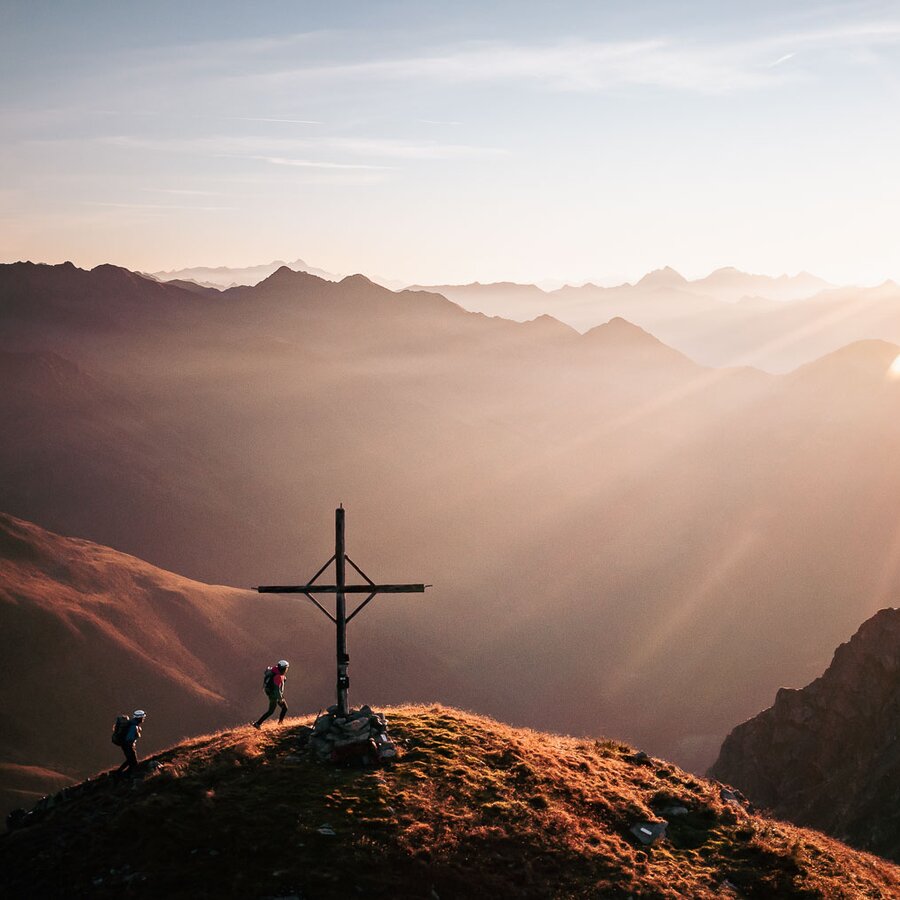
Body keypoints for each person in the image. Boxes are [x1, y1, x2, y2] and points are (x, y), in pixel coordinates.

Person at [253, 660, 289, 729]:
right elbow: (277, 689)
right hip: (274, 695)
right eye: (286, 668)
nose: (286, 670)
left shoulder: (275, 671)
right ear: (283, 668)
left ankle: (279, 723)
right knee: (272, 711)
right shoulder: (278, 676)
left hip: (272, 694)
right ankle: (257, 724)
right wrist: (280, 698)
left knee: (283, 708)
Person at [117, 709, 146, 777]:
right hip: (129, 746)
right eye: (143, 717)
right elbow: (129, 738)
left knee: (130, 761)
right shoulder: (134, 726)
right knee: (134, 763)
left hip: (125, 745)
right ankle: (120, 775)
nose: (143, 719)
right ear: (139, 718)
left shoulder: (132, 724)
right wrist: (131, 747)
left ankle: (119, 773)